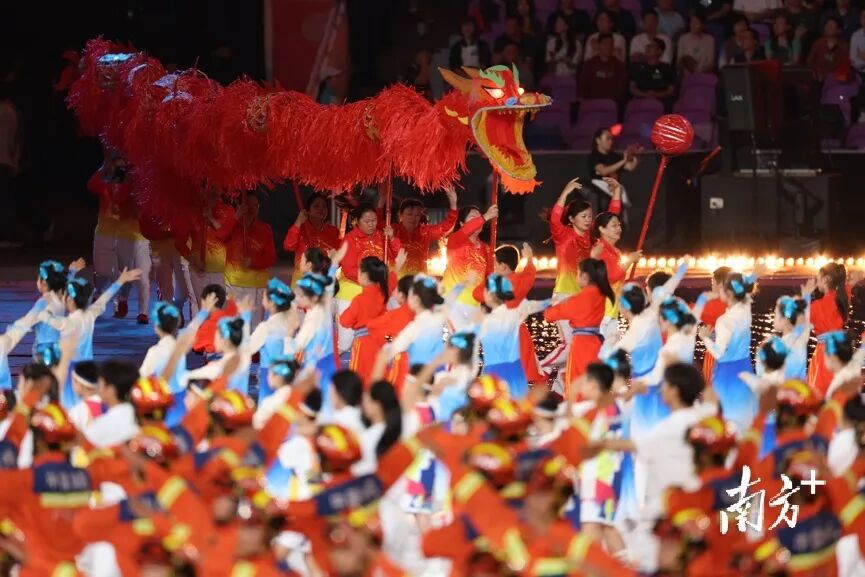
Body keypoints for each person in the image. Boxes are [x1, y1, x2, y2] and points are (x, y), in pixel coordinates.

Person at [37, 268, 142, 408]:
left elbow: (44, 315)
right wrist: (120, 280)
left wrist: (45, 304)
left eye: (65, 295)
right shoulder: (90, 315)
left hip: (71, 373)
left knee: (69, 406)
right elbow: (104, 298)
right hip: (89, 369)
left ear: (70, 299)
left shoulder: (65, 323)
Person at [472, 243, 546, 385]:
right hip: (519, 333)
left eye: (495, 264)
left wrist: (489, 279)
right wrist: (529, 259)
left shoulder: (497, 285)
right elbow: (530, 273)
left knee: (498, 376)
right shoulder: (522, 280)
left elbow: (477, 294)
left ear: (503, 266)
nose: (494, 267)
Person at [697, 270, 758, 435]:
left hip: (727, 374)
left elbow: (719, 353)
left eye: (723, 289)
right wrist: (755, 275)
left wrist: (705, 338)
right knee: (745, 413)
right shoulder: (745, 308)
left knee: (725, 416)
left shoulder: (724, 321)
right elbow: (746, 293)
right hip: (744, 367)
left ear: (728, 293)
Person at [334, 203, 400, 356]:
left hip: (378, 291)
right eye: (367, 221)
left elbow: (397, 255)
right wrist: (374, 281)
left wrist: (392, 238)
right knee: (345, 343)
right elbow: (349, 270)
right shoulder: (350, 240)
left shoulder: (382, 236)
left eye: (374, 220)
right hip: (353, 292)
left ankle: (394, 350)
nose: (371, 224)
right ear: (357, 221)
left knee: (390, 328)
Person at [543, 258, 615, 396]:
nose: (576, 277)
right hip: (596, 343)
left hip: (581, 346)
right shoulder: (601, 295)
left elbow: (549, 315)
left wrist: (561, 303)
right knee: (594, 384)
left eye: (577, 273)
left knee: (577, 384)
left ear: (584, 276)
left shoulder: (579, 299)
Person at [475, 273, 549, 399]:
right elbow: (538, 305)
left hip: (494, 374)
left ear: (489, 294)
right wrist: (553, 301)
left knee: (495, 407)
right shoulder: (515, 314)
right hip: (516, 372)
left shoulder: (484, 322)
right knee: (518, 406)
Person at [372, 276, 448, 392]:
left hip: (415, 381)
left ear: (416, 300)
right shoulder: (439, 319)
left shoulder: (414, 327)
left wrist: (388, 341)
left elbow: (391, 350)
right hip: (437, 377)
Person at [590, 179, 637, 351]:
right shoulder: (600, 249)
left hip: (611, 311)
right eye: (614, 226)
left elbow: (612, 213)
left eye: (619, 225)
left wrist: (617, 190)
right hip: (602, 313)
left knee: (610, 354)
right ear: (602, 229)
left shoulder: (613, 250)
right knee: (603, 353)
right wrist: (630, 260)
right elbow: (611, 277)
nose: (618, 228)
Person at [172, 192, 237, 315]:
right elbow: (179, 241)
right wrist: (191, 258)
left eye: (216, 191)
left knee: (219, 312)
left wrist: (211, 218)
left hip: (221, 270)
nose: (216, 196)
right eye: (211, 192)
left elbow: (228, 235)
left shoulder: (228, 211)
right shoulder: (192, 212)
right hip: (198, 271)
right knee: (204, 311)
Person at [340, 254, 400, 385]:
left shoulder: (359, 300)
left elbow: (344, 321)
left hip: (364, 344)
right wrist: (397, 267)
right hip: (383, 339)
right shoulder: (383, 294)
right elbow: (391, 282)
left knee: (359, 378)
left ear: (364, 276)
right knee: (380, 374)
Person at [223, 193, 277, 328]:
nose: (251, 208)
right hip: (233, 283)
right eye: (248, 204)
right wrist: (236, 217)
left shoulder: (265, 229)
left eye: (255, 205)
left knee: (253, 327)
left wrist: (253, 262)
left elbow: (271, 257)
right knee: (235, 326)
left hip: (256, 285)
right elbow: (221, 235)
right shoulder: (233, 225)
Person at [440, 204, 497, 329]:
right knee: (461, 338)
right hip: (454, 302)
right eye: (473, 218)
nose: (478, 220)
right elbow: (467, 229)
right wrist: (485, 216)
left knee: (473, 340)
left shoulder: (486, 249)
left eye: (479, 217)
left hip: (474, 304)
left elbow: (489, 276)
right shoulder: (455, 241)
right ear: (461, 224)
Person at [246, 278, 300, 402]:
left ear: (271, 303)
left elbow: (247, 349)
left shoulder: (266, 328)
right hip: (288, 376)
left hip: (269, 377)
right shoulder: (290, 323)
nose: (262, 299)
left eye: (264, 296)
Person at [389, 187, 457, 277]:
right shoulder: (392, 230)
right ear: (400, 215)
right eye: (409, 214)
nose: (413, 218)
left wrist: (453, 203)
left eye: (417, 215)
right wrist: (381, 201)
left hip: (419, 279)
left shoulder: (425, 232)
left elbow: (445, 227)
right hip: (398, 278)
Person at [809, 262, 851, 396]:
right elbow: (847, 288)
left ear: (826, 279)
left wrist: (806, 295)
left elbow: (798, 320)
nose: (816, 281)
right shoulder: (842, 299)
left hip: (824, 353)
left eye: (818, 278)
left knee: (820, 393)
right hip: (840, 351)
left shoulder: (817, 306)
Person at [282, 192, 340, 288]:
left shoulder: (333, 231)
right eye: (316, 206)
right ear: (308, 210)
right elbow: (288, 246)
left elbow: (338, 254)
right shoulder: (300, 228)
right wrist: (298, 223)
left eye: (324, 207)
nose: (320, 209)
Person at [588, 127, 639, 209]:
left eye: (611, 139)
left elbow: (630, 167)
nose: (610, 142)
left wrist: (635, 155)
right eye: (607, 139)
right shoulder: (594, 156)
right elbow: (603, 171)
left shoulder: (614, 156)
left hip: (615, 191)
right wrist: (623, 161)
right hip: (600, 194)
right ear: (598, 140)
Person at [629, 38, 678, 108]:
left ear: (659, 51)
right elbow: (632, 87)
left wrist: (656, 94)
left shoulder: (667, 68)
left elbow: (671, 90)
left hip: (662, 102)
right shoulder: (637, 67)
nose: (647, 48)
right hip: (641, 100)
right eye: (647, 46)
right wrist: (645, 94)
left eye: (651, 46)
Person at [0, 81, 20, 248]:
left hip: (3, 160)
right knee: (6, 200)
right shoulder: (12, 111)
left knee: (4, 202)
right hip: (7, 160)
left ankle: (7, 236)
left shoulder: (4, 111)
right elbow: (16, 140)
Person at [851, 10, 865, 75]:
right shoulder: (855, 35)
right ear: (861, 20)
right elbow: (853, 59)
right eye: (863, 17)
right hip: (860, 72)